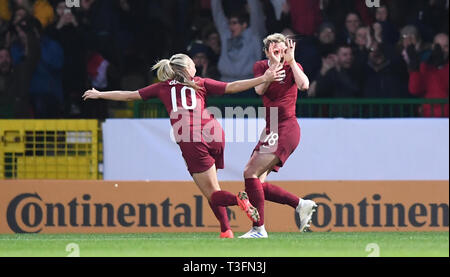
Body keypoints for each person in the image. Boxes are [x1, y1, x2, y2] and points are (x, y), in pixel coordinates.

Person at [82, 53, 285, 238]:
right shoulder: (199, 82)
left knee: (213, 194)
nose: (195, 65)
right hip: (214, 132)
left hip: (190, 138)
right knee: (213, 187)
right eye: (192, 63)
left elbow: (129, 95)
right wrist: (263, 79)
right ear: (186, 69)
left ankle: (239, 201)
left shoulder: (162, 87)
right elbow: (233, 86)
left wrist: (100, 94)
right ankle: (226, 230)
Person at [239, 33, 317, 239]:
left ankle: (258, 229)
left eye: (283, 50)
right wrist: (272, 69)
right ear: (266, 51)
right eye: (275, 50)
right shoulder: (261, 67)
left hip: (286, 127)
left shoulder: (293, 66)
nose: (280, 54)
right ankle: (301, 204)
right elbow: (259, 89)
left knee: (250, 173)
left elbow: (305, 86)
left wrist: (291, 62)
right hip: (271, 128)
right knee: (257, 184)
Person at [211, 0, 264, 83]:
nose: (230, 26)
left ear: (244, 25)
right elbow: (217, 13)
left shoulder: (254, 35)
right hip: (226, 82)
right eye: (229, 23)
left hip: (248, 83)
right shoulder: (226, 35)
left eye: (234, 23)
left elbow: (256, 12)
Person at [408, 33, 449, 117]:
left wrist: (440, 67)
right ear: (433, 47)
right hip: (428, 118)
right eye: (439, 46)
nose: (442, 50)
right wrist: (415, 70)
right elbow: (414, 90)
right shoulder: (425, 66)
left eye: (446, 46)